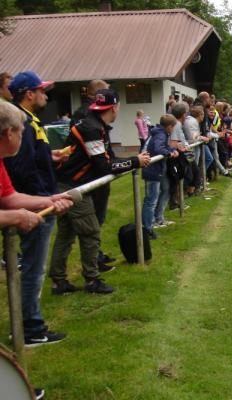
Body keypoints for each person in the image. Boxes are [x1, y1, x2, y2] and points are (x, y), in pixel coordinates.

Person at [49, 89, 150, 295]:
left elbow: (107, 160)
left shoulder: (94, 123)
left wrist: (129, 161)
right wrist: (135, 161)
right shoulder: (92, 128)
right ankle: (92, 280)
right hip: (74, 187)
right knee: (90, 231)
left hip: (67, 184)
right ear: (114, 108)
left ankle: (59, 282)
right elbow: (104, 166)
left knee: (66, 235)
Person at [4, 71, 74, 347]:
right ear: (29, 94)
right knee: (33, 269)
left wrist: (50, 156)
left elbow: (30, 159)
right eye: (42, 91)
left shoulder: (31, 122)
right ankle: (30, 328)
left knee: (34, 267)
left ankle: (30, 324)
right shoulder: (19, 122)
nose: (46, 96)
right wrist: (43, 198)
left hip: (37, 200)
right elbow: (19, 168)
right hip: (33, 205)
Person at [70, 80, 116, 268]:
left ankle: (97, 253)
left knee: (98, 219)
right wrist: (110, 163)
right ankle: (93, 259)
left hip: (98, 171)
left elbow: (105, 145)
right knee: (91, 222)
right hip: (88, 175)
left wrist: (113, 160)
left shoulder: (95, 117)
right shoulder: (85, 115)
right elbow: (95, 152)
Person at [142, 114, 179, 239]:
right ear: (169, 126)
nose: (173, 130)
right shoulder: (160, 134)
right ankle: (148, 229)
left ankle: (153, 224)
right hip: (152, 170)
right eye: (173, 127)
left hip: (154, 170)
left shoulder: (160, 132)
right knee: (151, 201)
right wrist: (169, 153)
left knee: (157, 195)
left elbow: (162, 146)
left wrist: (170, 149)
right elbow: (158, 148)